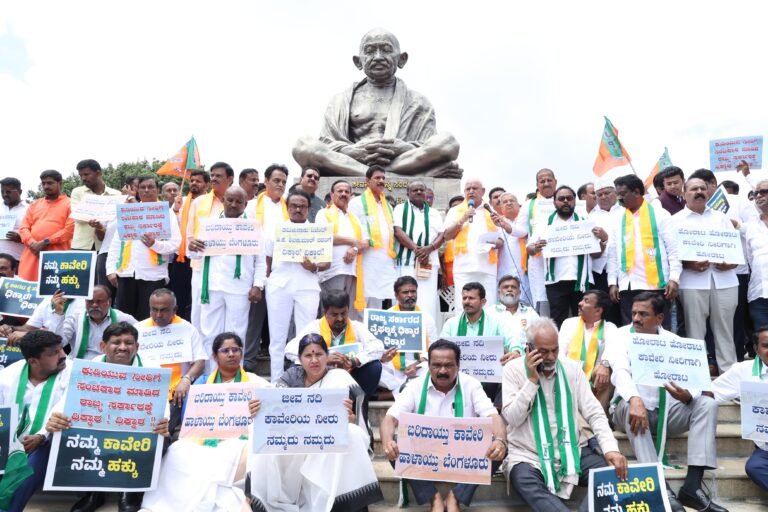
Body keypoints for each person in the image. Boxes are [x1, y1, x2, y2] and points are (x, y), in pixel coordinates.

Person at [605, 292, 724, 512]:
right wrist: (635, 398)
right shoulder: (620, 336)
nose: (636, 318)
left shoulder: (675, 342)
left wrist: (688, 395)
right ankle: (659, 484)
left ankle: (692, 486)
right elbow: (619, 371)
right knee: (634, 410)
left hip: (666, 412)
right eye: (634, 313)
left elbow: (696, 383)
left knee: (708, 404)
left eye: (643, 314)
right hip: (627, 408)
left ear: (659, 318)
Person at [292, 28, 460, 178]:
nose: (378, 57)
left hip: (403, 160)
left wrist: (403, 149)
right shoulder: (339, 101)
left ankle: (378, 176)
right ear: (358, 61)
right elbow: (327, 143)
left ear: (402, 59)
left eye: (386, 50)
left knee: (448, 142)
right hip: (350, 161)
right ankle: (391, 178)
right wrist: (351, 151)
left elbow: (427, 146)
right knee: (302, 145)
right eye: (370, 51)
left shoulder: (418, 102)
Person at [503, 318, 627, 512]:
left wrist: (610, 448)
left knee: (612, 473)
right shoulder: (513, 370)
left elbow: (594, 412)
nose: (551, 357)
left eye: (555, 350)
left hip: (570, 452)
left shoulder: (571, 369)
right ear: (529, 349)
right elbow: (512, 418)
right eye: (544, 351)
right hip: (529, 455)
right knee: (523, 479)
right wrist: (532, 381)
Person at [249, 334, 384, 511]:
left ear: (327, 356)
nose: (314, 360)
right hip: (296, 441)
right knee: (255, 430)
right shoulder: (291, 377)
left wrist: (349, 419)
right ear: (299, 359)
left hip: (326, 441)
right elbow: (274, 412)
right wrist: (258, 411)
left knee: (352, 433)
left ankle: (341, 503)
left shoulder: (339, 377)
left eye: (319, 354)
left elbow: (355, 420)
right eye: (308, 355)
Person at [45, 322, 170, 512]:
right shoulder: (87, 369)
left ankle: (129, 491)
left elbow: (162, 407)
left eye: (129, 343)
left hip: (134, 431)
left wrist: (164, 422)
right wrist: (55, 418)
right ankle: (93, 492)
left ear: (137, 347)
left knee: (161, 438)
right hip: (98, 430)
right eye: (116, 342)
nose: (122, 347)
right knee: (63, 431)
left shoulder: (152, 368)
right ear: (103, 346)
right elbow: (67, 401)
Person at [141, 332, 271, 512]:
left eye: (236, 350)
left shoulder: (257, 383)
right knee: (177, 451)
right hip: (203, 438)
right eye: (225, 350)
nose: (232, 354)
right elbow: (192, 420)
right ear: (215, 356)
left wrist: (259, 409)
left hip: (240, 438)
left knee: (235, 452)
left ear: (241, 353)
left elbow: (269, 415)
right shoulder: (202, 384)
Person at [380, 339, 507, 511]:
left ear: (458, 365)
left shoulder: (471, 385)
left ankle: (456, 496)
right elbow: (390, 419)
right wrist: (388, 441)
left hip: (463, 455)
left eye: (449, 365)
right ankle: (434, 498)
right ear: (429, 365)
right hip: (425, 455)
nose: (442, 371)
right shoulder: (414, 386)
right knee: (394, 446)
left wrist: (499, 440)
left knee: (499, 447)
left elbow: (493, 416)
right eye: (436, 365)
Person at [188, 186, 265, 370]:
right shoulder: (210, 224)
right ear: (223, 201)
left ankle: (234, 376)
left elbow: (260, 261)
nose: (233, 204)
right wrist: (193, 247)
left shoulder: (253, 227)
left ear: (245, 205)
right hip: (212, 287)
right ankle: (211, 376)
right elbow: (195, 256)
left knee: (236, 334)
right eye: (230, 200)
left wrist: (258, 285)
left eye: (239, 202)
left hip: (239, 288)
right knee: (209, 333)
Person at [0, 331, 71, 512]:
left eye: (61, 349)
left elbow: (64, 408)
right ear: (33, 361)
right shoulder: (7, 377)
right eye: (54, 353)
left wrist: (41, 435)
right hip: (10, 443)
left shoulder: (72, 372)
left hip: (50, 443)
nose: (62, 355)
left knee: (28, 468)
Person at [674, 177, 739, 373]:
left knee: (725, 331)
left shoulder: (721, 218)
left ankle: (729, 379)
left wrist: (730, 262)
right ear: (684, 194)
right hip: (692, 281)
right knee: (695, 332)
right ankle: (698, 380)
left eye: (703, 188)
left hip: (725, 280)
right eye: (694, 189)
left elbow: (735, 252)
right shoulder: (674, 221)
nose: (699, 191)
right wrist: (688, 263)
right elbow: (671, 253)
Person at [264, 190, 328, 382]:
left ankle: (305, 380)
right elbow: (267, 260)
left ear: (309, 209)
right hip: (278, 285)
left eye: (302, 206)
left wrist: (314, 265)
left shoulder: (317, 231)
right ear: (287, 207)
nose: (298, 209)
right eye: (294, 206)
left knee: (307, 337)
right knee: (277, 337)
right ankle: (277, 381)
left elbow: (327, 262)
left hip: (307, 285)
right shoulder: (275, 229)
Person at [607, 174, 680, 328]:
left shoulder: (660, 214)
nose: (619, 199)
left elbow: (674, 249)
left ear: (637, 192)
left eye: (623, 194)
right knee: (632, 330)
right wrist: (612, 282)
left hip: (657, 286)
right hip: (628, 285)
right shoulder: (616, 217)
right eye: (617, 194)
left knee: (659, 330)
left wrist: (674, 278)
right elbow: (612, 253)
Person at [527, 185, 605, 328]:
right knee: (558, 321)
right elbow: (529, 249)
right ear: (554, 202)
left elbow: (596, 253)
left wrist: (604, 240)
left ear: (575, 201)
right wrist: (536, 247)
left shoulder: (585, 222)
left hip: (581, 281)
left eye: (569, 198)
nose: (565, 201)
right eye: (561, 199)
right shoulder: (544, 224)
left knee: (584, 320)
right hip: (555, 281)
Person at [106, 176, 181, 320]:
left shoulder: (166, 213)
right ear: (137, 190)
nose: (146, 190)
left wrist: (155, 244)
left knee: (149, 319)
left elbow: (175, 244)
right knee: (124, 319)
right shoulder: (129, 211)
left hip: (153, 274)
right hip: (126, 273)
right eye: (143, 187)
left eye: (151, 187)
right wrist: (110, 269)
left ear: (157, 190)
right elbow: (116, 243)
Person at [135, 289, 207, 436]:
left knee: (163, 424)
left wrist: (186, 380)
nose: (158, 315)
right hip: (143, 390)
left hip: (176, 392)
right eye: (154, 310)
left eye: (164, 310)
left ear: (174, 310)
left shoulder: (188, 329)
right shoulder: (139, 329)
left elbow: (200, 361)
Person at [285, 289, 383, 396]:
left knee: (374, 367)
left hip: (349, 378)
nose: (340, 318)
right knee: (294, 368)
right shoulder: (314, 327)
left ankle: (358, 405)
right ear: (325, 312)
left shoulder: (356, 327)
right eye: (335, 314)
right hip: (319, 377)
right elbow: (290, 349)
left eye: (343, 313)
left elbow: (377, 346)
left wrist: (354, 361)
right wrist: (323, 358)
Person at [712, 326, 768, 490]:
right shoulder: (743, 370)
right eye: (766, 345)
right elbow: (712, 393)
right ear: (756, 349)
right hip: (766, 448)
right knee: (755, 466)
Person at [245, 163, 289, 370]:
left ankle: (286, 363)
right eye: (276, 181)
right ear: (266, 181)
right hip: (259, 269)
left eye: (283, 182)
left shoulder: (288, 206)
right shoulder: (252, 206)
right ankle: (248, 362)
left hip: (282, 271)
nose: (280, 185)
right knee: (254, 318)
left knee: (282, 321)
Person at [186, 163, 233, 332]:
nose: (213, 178)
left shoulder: (238, 203)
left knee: (227, 314)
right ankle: (199, 354)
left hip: (228, 268)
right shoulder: (199, 202)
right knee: (200, 311)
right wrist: (192, 245)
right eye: (212, 175)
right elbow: (190, 234)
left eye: (218, 176)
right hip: (201, 267)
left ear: (230, 179)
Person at [443, 179, 503, 307]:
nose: (471, 191)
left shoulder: (491, 211)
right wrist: (463, 218)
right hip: (463, 267)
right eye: (467, 189)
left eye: (474, 188)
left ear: (483, 191)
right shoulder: (455, 211)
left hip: (487, 267)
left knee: (488, 306)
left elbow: (501, 241)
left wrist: (491, 242)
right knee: (463, 306)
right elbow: (447, 235)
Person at [316, 179, 368, 319]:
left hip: (352, 272)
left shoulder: (354, 219)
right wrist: (352, 241)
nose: (344, 194)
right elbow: (324, 236)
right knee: (332, 312)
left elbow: (365, 243)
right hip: (332, 271)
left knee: (348, 313)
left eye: (347, 191)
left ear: (351, 195)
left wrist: (355, 249)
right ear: (332, 195)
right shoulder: (323, 214)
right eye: (340, 191)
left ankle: (348, 341)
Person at [347, 165, 398, 308]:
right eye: (377, 178)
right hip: (366, 260)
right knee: (364, 301)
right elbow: (353, 229)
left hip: (385, 261)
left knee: (379, 302)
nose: (381, 180)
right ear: (367, 181)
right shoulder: (357, 203)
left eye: (383, 178)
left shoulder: (386, 205)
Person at [393, 180, 444, 322]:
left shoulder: (434, 213)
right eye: (415, 190)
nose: (419, 192)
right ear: (407, 193)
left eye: (422, 189)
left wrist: (430, 249)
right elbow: (398, 231)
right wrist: (416, 249)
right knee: (404, 298)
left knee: (428, 301)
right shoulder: (400, 209)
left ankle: (428, 336)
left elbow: (442, 235)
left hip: (428, 264)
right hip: (406, 262)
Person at [558, 289, 618, 410]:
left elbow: (613, 349)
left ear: (598, 310)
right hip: (569, 375)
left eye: (586, 301)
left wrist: (605, 365)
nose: (580, 303)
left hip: (595, 381)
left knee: (609, 371)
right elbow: (560, 353)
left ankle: (597, 415)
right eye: (581, 300)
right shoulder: (569, 323)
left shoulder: (610, 328)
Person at [379, 276, 439, 396]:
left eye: (413, 291)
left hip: (418, 367)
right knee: (375, 368)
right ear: (396, 295)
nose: (410, 295)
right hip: (392, 368)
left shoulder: (426, 318)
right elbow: (377, 347)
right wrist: (384, 357)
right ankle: (403, 388)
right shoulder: (386, 316)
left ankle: (396, 391)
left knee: (433, 368)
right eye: (405, 292)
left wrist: (417, 365)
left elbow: (434, 349)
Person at [514, 168, 558, 316]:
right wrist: (506, 226)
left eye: (549, 180)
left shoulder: (566, 200)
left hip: (563, 261)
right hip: (539, 261)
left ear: (555, 182)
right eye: (542, 181)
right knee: (542, 301)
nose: (546, 183)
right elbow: (520, 230)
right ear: (537, 184)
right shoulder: (529, 205)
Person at [18, 170, 74, 281]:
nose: (46, 186)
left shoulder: (70, 203)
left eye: (49, 183)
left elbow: (69, 230)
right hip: (32, 253)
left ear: (60, 184)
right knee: (28, 288)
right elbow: (23, 228)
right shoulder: (35, 204)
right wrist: (33, 244)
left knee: (54, 289)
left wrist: (45, 242)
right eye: (43, 183)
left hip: (57, 255)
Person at [169, 169, 211, 321]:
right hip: (181, 257)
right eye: (192, 181)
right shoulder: (182, 201)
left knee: (196, 298)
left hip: (200, 257)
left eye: (198, 181)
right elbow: (172, 226)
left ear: (207, 184)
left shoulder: (211, 203)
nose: (194, 183)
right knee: (179, 295)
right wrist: (175, 209)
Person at [58, 285, 137, 360]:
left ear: (109, 301)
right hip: (80, 365)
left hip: (112, 366)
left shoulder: (123, 318)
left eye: (99, 301)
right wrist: (58, 315)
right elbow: (59, 343)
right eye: (90, 301)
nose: (94, 305)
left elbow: (142, 334)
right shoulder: (75, 319)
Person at [441, 282, 520, 353]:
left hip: (488, 367)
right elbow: (441, 347)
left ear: (483, 302)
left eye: (471, 298)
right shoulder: (451, 323)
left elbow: (512, 340)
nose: (467, 302)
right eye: (464, 298)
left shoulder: (496, 322)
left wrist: (516, 351)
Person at [589, 178, 622, 325]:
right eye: (599, 195)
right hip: (600, 271)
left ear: (615, 193)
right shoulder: (590, 218)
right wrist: (603, 240)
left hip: (623, 269)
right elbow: (589, 249)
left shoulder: (626, 212)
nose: (603, 197)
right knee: (605, 313)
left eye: (607, 193)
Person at [70, 159, 122, 252]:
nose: (83, 178)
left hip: (106, 246)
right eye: (81, 175)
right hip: (81, 246)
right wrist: (105, 214)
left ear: (98, 173)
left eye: (86, 174)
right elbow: (78, 217)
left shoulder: (116, 195)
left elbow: (116, 220)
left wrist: (89, 212)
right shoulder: (77, 192)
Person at [493, 192, 533, 307]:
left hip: (523, 270)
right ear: (500, 207)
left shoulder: (525, 221)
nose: (509, 203)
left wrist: (504, 225)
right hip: (502, 269)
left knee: (525, 303)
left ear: (518, 204)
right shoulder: (495, 225)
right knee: (503, 304)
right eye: (505, 202)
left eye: (512, 201)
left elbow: (521, 232)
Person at [492, 275, 539, 358]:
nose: (509, 289)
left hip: (526, 360)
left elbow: (540, 336)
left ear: (519, 292)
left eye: (513, 287)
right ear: (499, 292)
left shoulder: (530, 312)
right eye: (505, 287)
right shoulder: (490, 313)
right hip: (499, 359)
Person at [744, 179, 768, 332]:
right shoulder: (751, 227)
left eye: (764, 191)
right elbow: (750, 260)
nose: (758, 196)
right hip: (759, 294)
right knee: (764, 341)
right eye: (755, 193)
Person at [0, 177, 27, 260]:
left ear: (20, 192)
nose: (5, 195)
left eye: (9, 192)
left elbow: (36, 234)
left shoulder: (30, 209)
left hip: (18, 260)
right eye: (2, 192)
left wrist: (21, 238)